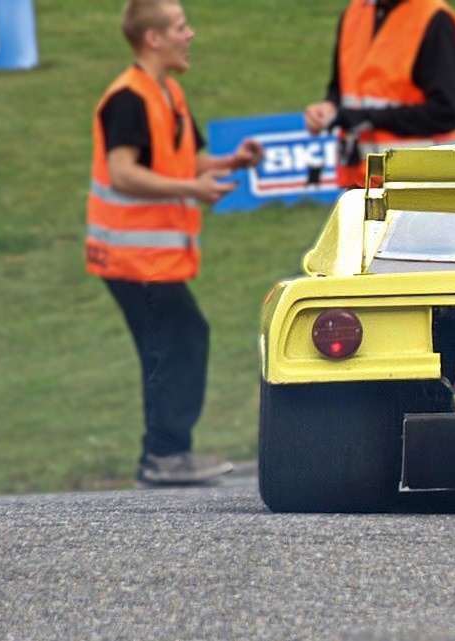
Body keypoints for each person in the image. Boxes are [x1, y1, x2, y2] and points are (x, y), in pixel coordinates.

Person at [86, 0, 264, 488]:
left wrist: (231, 162)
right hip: (130, 257)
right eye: (181, 27)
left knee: (171, 341)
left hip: (148, 257)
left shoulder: (168, 93)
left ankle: (163, 453)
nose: (190, 35)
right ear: (153, 39)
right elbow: (124, 173)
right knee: (181, 337)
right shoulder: (128, 99)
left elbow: (181, 162)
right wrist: (192, 189)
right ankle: (164, 455)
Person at [304, 0, 455, 188]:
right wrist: (330, 106)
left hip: (418, 183)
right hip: (362, 182)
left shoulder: (435, 19)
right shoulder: (355, 13)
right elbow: (342, 86)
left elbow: (447, 112)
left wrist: (368, 118)